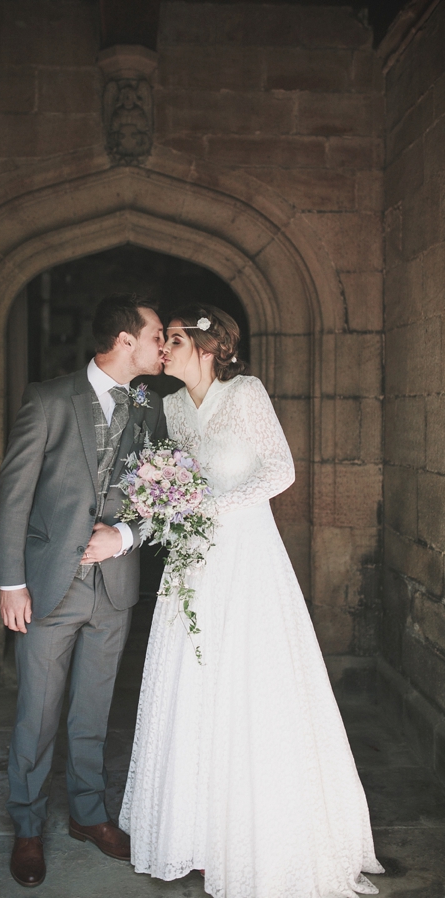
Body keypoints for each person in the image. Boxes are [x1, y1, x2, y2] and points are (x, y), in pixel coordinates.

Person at [119, 305, 383, 897]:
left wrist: (209, 508)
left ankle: (260, 834)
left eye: (177, 340)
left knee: (250, 682)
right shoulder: (170, 408)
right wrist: (173, 505)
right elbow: (181, 477)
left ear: (209, 349)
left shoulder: (247, 393)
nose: (165, 348)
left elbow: (280, 471)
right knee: (192, 682)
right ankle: (198, 833)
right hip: (194, 563)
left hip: (247, 555)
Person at [0, 293, 167, 888]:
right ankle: (28, 825)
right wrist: (10, 582)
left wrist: (123, 535)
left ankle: (88, 816)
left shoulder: (148, 404)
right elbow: (13, 495)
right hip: (48, 587)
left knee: (93, 712)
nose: (161, 347)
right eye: (153, 337)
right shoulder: (47, 399)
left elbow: (163, 494)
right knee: (37, 712)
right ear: (125, 341)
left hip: (114, 587)